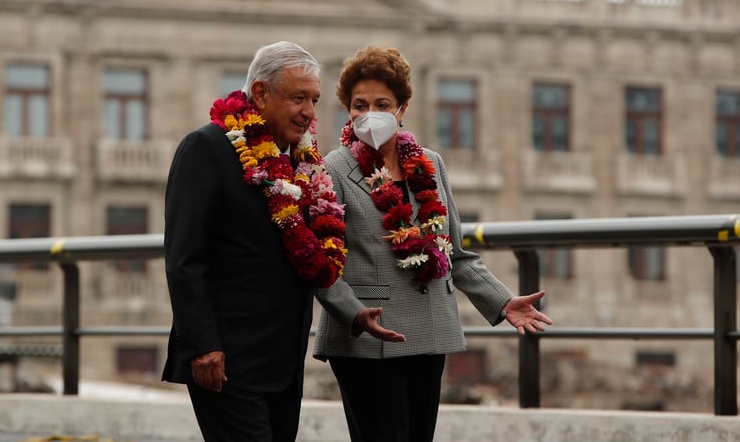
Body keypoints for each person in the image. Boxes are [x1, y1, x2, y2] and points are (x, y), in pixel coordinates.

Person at [314, 45, 553, 442]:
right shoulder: (333, 169)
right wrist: (352, 313)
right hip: (371, 335)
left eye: (381, 103)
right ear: (347, 109)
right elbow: (319, 265)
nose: (368, 114)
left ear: (402, 108)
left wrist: (502, 301)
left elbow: (455, 253)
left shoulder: (429, 163)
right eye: (359, 104)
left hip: (429, 331)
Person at [162, 41, 347, 442]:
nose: (309, 113)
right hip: (225, 361)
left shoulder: (303, 161)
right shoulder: (206, 148)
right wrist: (202, 346)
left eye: (314, 100)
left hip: (283, 363)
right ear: (260, 93)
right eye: (298, 98)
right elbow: (184, 258)